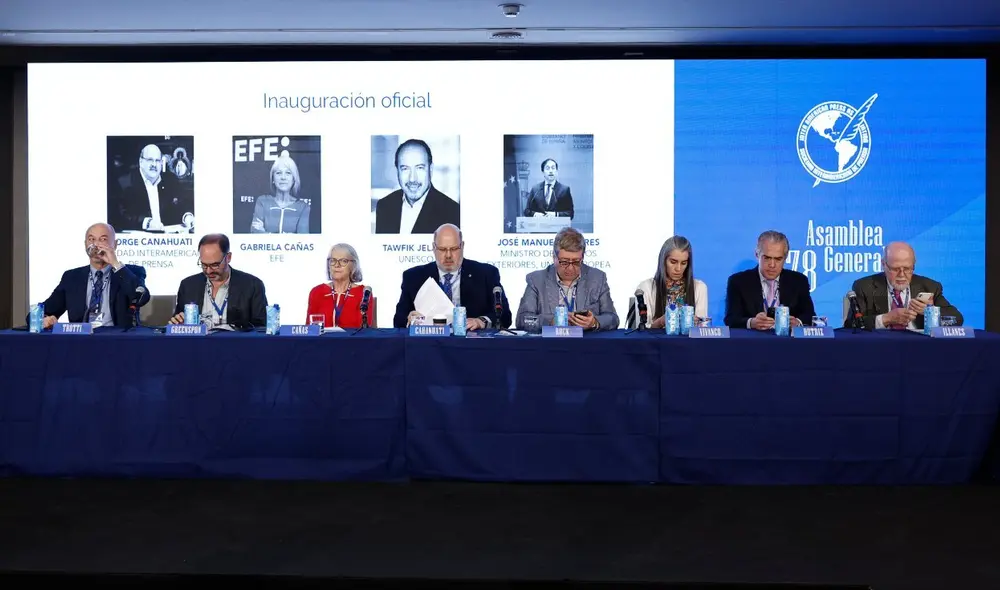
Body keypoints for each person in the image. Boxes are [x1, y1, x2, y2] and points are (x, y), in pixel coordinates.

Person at [393, 223, 511, 330]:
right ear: (433, 248)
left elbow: (505, 316)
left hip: (471, 343)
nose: (448, 255)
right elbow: (398, 320)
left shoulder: (486, 274)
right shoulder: (414, 277)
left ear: (462, 246)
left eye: (454, 249)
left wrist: (481, 321)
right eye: (442, 249)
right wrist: (409, 319)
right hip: (429, 343)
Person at [31, 222, 149, 328]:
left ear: (115, 244)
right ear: (85, 244)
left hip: (118, 339)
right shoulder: (72, 277)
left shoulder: (131, 272)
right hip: (81, 340)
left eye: (103, 239)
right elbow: (39, 313)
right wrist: (43, 320)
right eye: (91, 239)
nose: (96, 245)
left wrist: (115, 264)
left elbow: (142, 298)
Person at [516, 226, 618, 332]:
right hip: (551, 341)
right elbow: (522, 320)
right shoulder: (536, 280)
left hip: (587, 340)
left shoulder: (597, 278)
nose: (570, 268)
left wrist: (594, 322)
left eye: (576, 262)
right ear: (554, 257)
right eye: (564, 262)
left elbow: (612, 318)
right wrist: (550, 322)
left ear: (582, 258)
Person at [847, 241, 964, 330]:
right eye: (895, 269)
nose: (902, 275)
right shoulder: (864, 286)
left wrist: (931, 312)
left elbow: (957, 319)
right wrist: (886, 319)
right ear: (883, 265)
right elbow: (851, 324)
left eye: (907, 269)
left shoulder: (930, 286)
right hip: (881, 347)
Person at [168, 233, 267, 328]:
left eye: (215, 265)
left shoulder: (253, 285)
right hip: (198, 340)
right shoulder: (188, 285)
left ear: (228, 257)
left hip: (236, 340)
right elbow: (178, 322)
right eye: (204, 265)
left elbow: (261, 328)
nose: (208, 271)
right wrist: (178, 322)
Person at [724, 230, 816, 330]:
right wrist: (751, 323)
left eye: (778, 259)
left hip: (787, 339)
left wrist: (797, 322)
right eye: (767, 258)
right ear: (757, 254)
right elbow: (731, 319)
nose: (772, 265)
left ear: (785, 258)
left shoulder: (799, 281)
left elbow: (810, 316)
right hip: (753, 338)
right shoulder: (738, 281)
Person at [375, 139, 460, 234]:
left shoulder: (453, 212)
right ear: (397, 171)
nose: (412, 179)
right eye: (405, 169)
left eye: (419, 168)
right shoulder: (384, 206)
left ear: (431, 169)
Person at [109, 143, 195, 233]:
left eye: (157, 160)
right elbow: (119, 216)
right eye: (150, 160)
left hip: (167, 238)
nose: (154, 164)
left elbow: (182, 205)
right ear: (141, 162)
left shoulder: (170, 180)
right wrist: (147, 223)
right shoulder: (124, 183)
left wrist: (187, 217)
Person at [629, 235, 708, 329]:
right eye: (673, 262)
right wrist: (660, 322)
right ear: (663, 260)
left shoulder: (699, 287)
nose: (678, 269)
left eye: (683, 263)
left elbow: (701, 329)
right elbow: (642, 330)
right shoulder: (646, 287)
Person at [305, 243, 376, 329]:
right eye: (333, 260)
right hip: (322, 338)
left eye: (343, 261)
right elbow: (309, 329)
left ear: (353, 265)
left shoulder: (363, 293)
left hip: (352, 338)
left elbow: (362, 330)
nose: (337, 265)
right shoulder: (317, 292)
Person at [250, 154, 311, 234]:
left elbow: (303, 238)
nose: (283, 177)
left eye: (288, 173)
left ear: (293, 179)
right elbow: (255, 232)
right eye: (278, 173)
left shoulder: (303, 207)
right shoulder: (262, 202)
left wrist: (266, 234)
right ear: (273, 178)